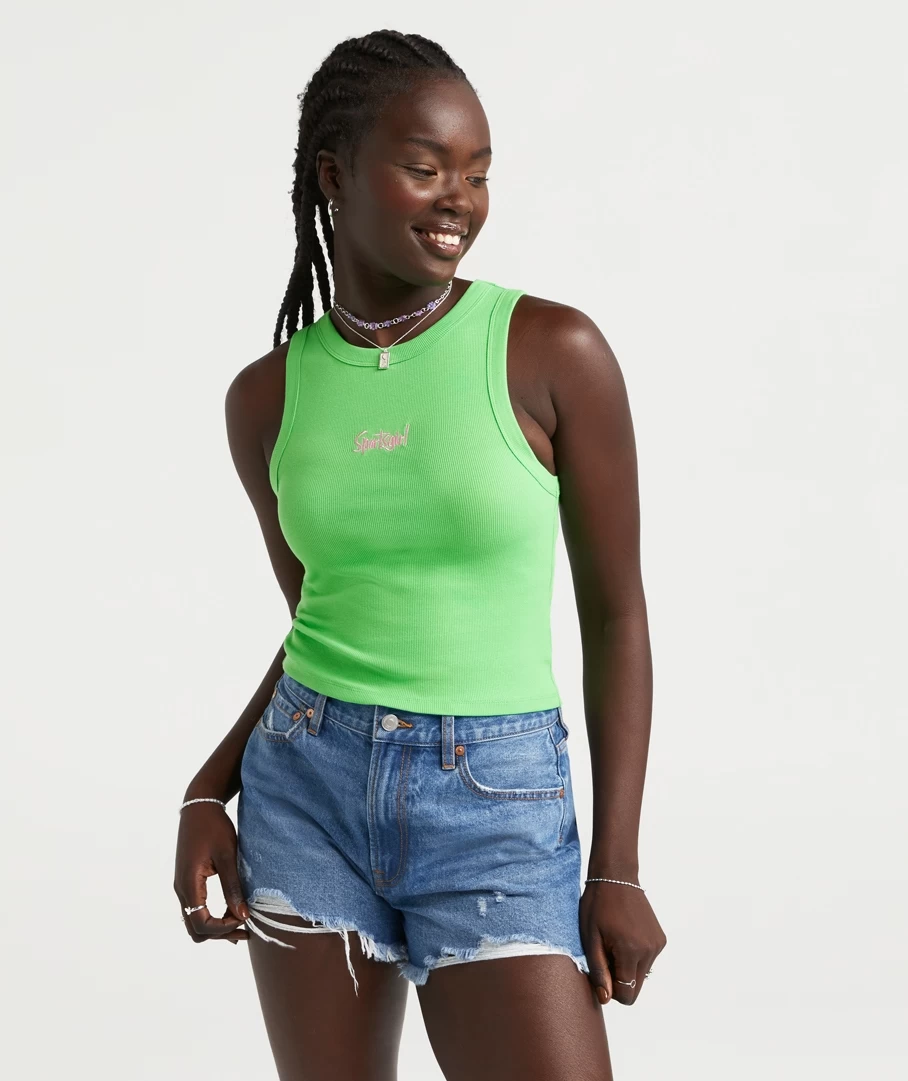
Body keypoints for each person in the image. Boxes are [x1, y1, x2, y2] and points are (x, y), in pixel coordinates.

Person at [173, 28, 666, 1081]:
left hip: (495, 803)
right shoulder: (265, 399)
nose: (459, 200)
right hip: (305, 790)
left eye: (477, 172)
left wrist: (616, 867)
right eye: (425, 166)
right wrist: (210, 788)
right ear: (334, 175)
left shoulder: (551, 352)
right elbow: (322, 618)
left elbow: (616, 613)